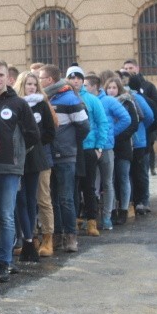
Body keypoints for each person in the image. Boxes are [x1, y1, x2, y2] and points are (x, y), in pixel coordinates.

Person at [0, 59, 39, 280]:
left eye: (1, 75)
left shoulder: (19, 104)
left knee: (7, 217)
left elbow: (33, 135)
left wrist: (18, 154)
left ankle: (4, 263)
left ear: (8, 78)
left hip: (10, 169)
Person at [39, 64, 89, 253]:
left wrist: (71, 144)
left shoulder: (69, 98)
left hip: (66, 156)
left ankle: (71, 236)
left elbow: (84, 126)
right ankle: (56, 234)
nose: (39, 80)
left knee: (66, 198)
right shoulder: (45, 98)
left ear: (50, 80)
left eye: (41, 77)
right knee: (51, 198)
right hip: (49, 154)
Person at [13, 71, 55, 259]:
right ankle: (26, 238)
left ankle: (42, 238)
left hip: (35, 157)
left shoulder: (41, 105)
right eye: (28, 84)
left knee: (36, 199)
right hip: (17, 158)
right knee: (19, 199)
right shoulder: (15, 103)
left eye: (34, 84)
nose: (31, 87)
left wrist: (35, 144)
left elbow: (50, 131)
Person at [66, 64, 108, 238]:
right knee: (72, 188)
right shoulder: (64, 98)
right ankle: (74, 221)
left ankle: (92, 221)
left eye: (79, 78)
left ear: (83, 81)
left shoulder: (92, 100)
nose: (75, 81)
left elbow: (102, 123)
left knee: (89, 187)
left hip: (89, 148)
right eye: (72, 78)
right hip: (70, 149)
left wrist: (99, 146)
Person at [85, 74, 131, 230]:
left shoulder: (109, 101)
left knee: (107, 182)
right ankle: (93, 217)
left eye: (86, 85)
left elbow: (126, 118)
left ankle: (107, 217)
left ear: (94, 87)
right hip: (90, 147)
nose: (84, 87)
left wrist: (112, 133)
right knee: (92, 183)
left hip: (106, 147)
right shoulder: (85, 100)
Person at [104, 77, 140, 225]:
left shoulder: (127, 103)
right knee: (110, 180)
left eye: (114, 87)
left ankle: (124, 210)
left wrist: (117, 136)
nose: (111, 90)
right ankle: (112, 210)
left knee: (123, 177)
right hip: (109, 146)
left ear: (119, 89)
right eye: (109, 87)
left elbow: (133, 124)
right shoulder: (104, 103)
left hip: (123, 146)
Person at [123, 59, 157, 174]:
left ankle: (152, 168)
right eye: (126, 68)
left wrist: (146, 124)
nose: (128, 70)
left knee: (147, 151)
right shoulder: (122, 87)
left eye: (131, 68)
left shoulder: (148, 86)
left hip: (146, 127)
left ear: (137, 68)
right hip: (131, 131)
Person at [127, 75, 155, 216]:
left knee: (139, 172)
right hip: (132, 141)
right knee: (133, 173)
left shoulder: (136, 98)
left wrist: (140, 128)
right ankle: (136, 202)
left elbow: (149, 116)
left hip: (138, 141)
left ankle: (142, 201)